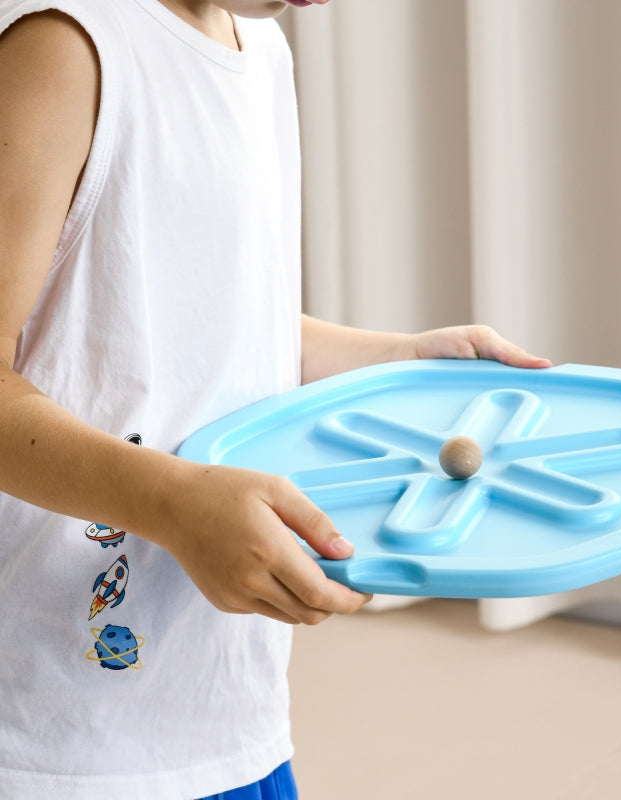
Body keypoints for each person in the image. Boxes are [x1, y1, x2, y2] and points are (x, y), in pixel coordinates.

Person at [0, 0, 551, 797]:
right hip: (64, 737)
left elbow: (202, 320)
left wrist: (400, 357)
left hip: (226, 706)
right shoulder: (65, 52)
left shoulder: (260, 47)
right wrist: (174, 505)